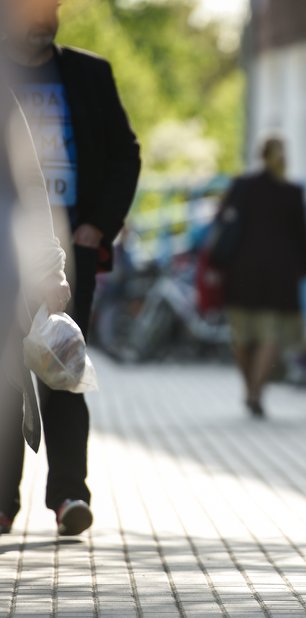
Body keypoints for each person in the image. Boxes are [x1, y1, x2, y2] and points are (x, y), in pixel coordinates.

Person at [0, 0, 141, 537]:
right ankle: (3, 502)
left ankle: (68, 496)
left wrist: (98, 225)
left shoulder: (87, 73)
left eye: (49, 11)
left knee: (62, 365)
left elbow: (125, 153)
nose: (42, 21)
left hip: (67, 248)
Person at [216, 137, 306, 418]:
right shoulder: (292, 192)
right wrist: (304, 268)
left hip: (240, 274)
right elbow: (302, 238)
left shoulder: (242, 187)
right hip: (279, 278)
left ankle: (249, 390)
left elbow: (223, 223)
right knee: (269, 337)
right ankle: (256, 392)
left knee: (242, 339)